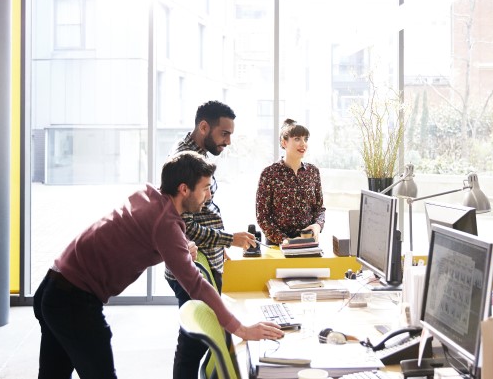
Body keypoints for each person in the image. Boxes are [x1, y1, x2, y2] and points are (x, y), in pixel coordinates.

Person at [32, 151, 283, 379]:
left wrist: (181, 244)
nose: (209, 195)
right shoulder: (165, 225)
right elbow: (196, 284)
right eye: (205, 188)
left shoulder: (148, 194)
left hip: (53, 286)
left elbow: (145, 230)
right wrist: (241, 329)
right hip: (73, 299)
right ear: (184, 189)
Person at [165, 100, 257, 379]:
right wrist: (229, 239)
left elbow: (205, 212)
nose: (228, 141)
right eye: (224, 133)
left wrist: (220, 247)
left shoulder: (194, 154)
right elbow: (186, 225)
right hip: (191, 263)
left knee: (198, 343)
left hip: (204, 258)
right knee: (192, 344)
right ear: (204, 127)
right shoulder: (186, 161)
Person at [256, 119, 326, 245]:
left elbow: (319, 209)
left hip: (308, 242)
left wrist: (317, 226)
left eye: (305, 139)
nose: (303, 143)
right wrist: (284, 240)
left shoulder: (313, 172)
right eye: (297, 139)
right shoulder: (269, 174)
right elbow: (263, 217)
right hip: (278, 245)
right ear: (284, 142)